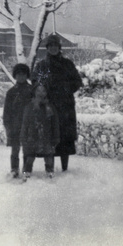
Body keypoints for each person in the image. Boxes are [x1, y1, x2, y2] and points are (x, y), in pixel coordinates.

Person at [31, 34, 83, 172]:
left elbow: (77, 81)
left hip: (65, 106)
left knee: (65, 137)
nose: (53, 48)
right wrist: (43, 93)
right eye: (50, 46)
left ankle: (65, 168)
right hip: (49, 106)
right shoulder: (41, 66)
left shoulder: (68, 64)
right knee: (50, 135)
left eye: (55, 46)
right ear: (47, 48)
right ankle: (50, 168)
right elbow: (35, 83)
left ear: (59, 48)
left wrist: (66, 89)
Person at [20, 84, 60, 180]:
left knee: (49, 156)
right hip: (32, 136)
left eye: (43, 91)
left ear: (46, 93)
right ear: (34, 92)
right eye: (38, 91)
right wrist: (23, 136)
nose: (41, 93)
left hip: (47, 136)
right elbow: (25, 123)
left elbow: (55, 123)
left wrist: (56, 137)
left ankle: (50, 171)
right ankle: (27, 171)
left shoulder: (50, 107)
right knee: (29, 156)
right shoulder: (29, 107)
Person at [2, 63, 35, 178]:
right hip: (15, 126)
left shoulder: (32, 91)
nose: (21, 77)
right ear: (15, 76)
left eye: (23, 74)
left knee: (27, 150)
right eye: (18, 74)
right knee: (15, 150)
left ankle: (27, 170)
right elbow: (7, 112)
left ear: (27, 76)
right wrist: (8, 126)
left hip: (29, 126)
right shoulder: (11, 92)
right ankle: (14, 170)